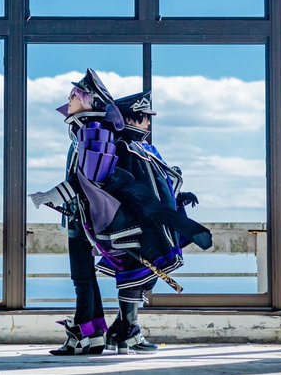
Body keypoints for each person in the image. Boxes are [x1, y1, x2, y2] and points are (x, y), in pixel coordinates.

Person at [101, 90, 212, 353]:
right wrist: (166, 214)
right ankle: (128, 333)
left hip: (155, 224)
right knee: (135, 276)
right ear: (128, 119)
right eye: (143, 117)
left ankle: (119, 332)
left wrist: (179, 198)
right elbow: (129, 188)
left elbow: (157, 184)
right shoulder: (123, 148)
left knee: (145, 276)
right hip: (137, 225)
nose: (148, 122)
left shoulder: (141, 148)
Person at [29, 69, 125, 356]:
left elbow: (86, 180)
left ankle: (82, 335)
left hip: (83, 219)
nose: (69, 99)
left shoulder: (93, 132)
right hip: (81, 216)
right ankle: (93, 334)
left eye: (74, 95)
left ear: (88, 100)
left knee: (81, 278)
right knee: (85, 278)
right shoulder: (87, 131)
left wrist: (51, 195)